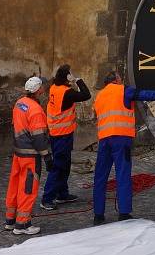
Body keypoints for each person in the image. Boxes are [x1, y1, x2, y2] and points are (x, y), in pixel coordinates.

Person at [92, 72, 155, 225]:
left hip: (104, 139)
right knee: (122, 174)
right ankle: (124, 213)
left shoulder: (99, 96)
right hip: (121, 138)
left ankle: (98, 215)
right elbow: (144, 94)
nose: (122, 81)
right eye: (121, 79)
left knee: (100, 177)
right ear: (116, 80)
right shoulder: (122, 90)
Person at [5, 76, 53, 235]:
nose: (44, 90)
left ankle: (10, 220)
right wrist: (47, 156)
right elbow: (39, 138)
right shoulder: (36, 110)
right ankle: (22, 225)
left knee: (15, 185)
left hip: (18, 153)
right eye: (43, 87)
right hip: (31, 156)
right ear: (38, 90)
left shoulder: (19, 103)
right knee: (27, 188)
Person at [41, 64, 91, 210]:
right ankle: (47, 198)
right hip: (62, 134)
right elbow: (86, 95)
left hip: (56, 133)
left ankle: (62, 194)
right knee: (58, 167)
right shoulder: (67, 93)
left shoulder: (54, 88)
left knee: (64, 165)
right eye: (70, 74)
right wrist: (78, 80)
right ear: (67, 77)